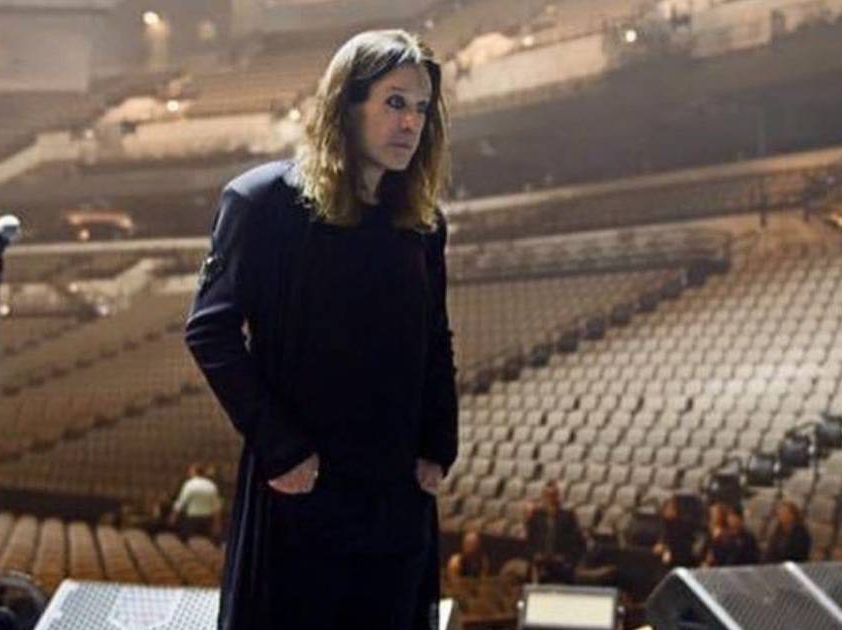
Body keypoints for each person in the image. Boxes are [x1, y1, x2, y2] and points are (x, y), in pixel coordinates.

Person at [184, 29, 457, 630]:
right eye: (394, 102)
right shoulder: (262, 202)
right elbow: (210, 332)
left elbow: (436, 336)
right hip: (302, 489)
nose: (410, 122)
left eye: (420, 108)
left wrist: (439, 444)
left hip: (395, 498)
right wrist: (282, 450)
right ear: (346, 104)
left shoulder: (423, 224)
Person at [524, 481, 586, 584]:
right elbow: (530, 542)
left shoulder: (567, 517)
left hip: (561, 563)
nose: (550, 499)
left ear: (557, 497)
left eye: (553, 495)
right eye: (547, 496)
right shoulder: (536, 516)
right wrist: (534, 555)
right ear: (543, 497)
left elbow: (577, 543)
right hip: (540, 563)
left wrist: (566, 558)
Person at [172, 463, 222, 539]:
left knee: (189, 541)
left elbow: (181, 502)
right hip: (207, 520)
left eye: (190, 471)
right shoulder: (211, 485)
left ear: (194, 472)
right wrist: (217, 524)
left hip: (192, 519)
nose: (188, 474)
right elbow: (216, 507)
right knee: (205, 542)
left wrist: (173, 516)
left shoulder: (189, 484)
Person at [654, 496, 696, 568]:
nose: (669, 512)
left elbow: (681, 545)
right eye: (667, 509)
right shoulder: (661, 523)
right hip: (662, 558)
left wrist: (666, 549)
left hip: (679, 559)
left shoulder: (682, 526)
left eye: (672, 509)